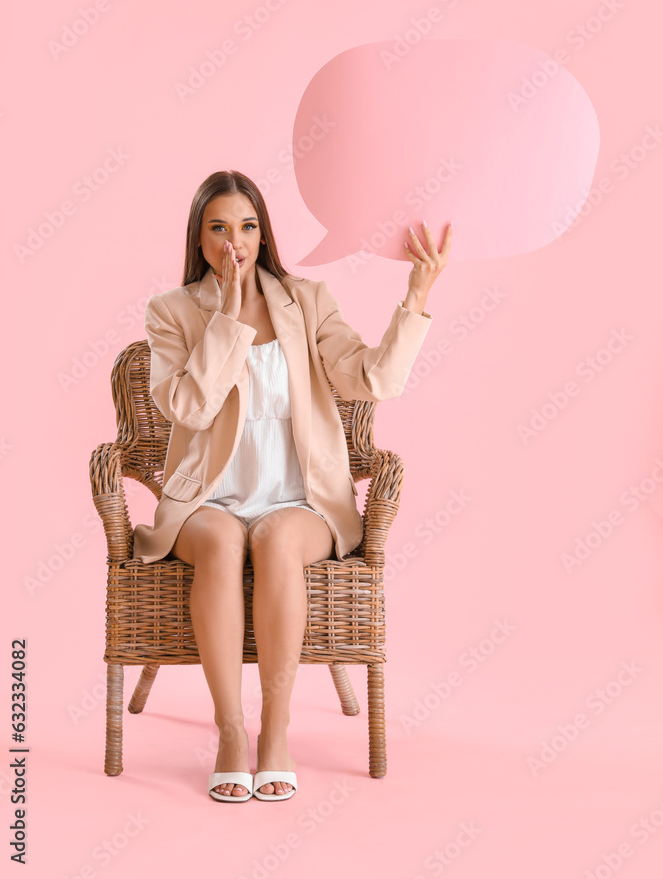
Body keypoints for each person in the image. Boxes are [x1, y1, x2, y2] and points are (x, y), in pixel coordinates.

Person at [132, 170, 452, 802]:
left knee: (276, 539)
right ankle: (231, 732)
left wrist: (415, 298)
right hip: (208, 498)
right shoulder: (171, 312)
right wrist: (225, 315)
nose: (235, 243)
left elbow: (373, 379)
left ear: (262, 231)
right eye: (219, 229)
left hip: (299, 498)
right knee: (224, 543)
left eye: (246, 226)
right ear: (200, 239)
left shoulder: (306, 300)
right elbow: (189, 409)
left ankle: (275, 731)